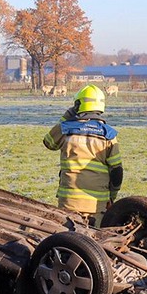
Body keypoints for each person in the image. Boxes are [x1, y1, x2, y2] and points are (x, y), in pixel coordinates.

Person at [42, 84, 123, 227]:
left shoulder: (65, 128)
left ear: (77, 105)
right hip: (97, 203)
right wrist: (112, 196)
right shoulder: (109, 134)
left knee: (68, 238)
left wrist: (66, 117)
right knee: (95, 238)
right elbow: (117, 171)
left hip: (69, 201)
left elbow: (48, 143)